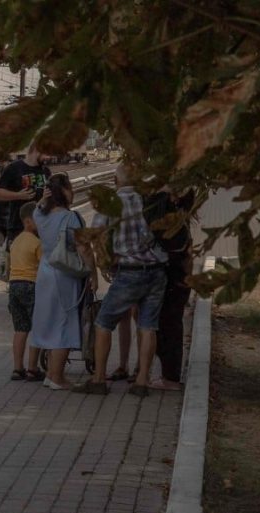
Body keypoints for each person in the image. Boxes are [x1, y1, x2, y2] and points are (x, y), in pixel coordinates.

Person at [76, 164, 174, 397]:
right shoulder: (148, 200)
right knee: (148, 325)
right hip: (157, 269)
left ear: (115, 179)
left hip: (129, 271)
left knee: (103, 322)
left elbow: (94, 240)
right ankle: (141, 381)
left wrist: (101, 267)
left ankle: (99, 379)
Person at [31, 174, 95, 390]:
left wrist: (42, 199)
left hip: (45, 273)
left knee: (50, 323)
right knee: (64, 325)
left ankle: (50, 373)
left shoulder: (40, 215)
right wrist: (92, 272)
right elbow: (83, 248)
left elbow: (37, 209)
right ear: (66, 191)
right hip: (65, 276)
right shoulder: (71, 218)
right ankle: (57, 377)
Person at [150, 186, 196, 384]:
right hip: (179, 280)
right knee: (169, 325)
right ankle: (169, 374)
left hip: (174, 280)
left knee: (168, 327)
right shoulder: (180, 220)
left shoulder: (175, 226)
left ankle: (170, 377)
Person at [7, 202, 43, 382]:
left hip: (14, 286)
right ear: (29, 221)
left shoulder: (15, 241)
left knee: (20, 329)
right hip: (30, 285)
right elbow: (43, 266)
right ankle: (32, 368)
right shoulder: (37, 242)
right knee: (37, 327)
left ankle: (17, 367)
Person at [0, 145, 51, 243]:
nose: (48, 158)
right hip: (18, 228)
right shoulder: (14, 168)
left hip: (41, 227)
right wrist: (18, 195)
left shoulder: (46, 171)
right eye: (47, 154)